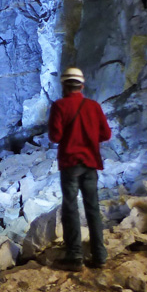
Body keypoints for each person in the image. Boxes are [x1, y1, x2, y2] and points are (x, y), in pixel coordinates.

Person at [48, 66, 112, 269]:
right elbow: (106, 134)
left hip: (70, 164)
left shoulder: (60, 106)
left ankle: (75, 256)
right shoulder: (94, 106)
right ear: (82, 86)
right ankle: (100, 255)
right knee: (93, 208)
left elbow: (55, 136)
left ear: (64, 86)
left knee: (71, 208)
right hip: (90, 164)